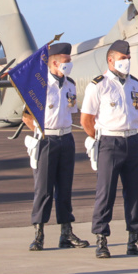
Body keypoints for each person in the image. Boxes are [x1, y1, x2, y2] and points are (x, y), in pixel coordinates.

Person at [81, 40, 138, 258]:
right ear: (111, 60)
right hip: (110, 142)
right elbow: (87, 119)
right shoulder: (99, 85)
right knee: (106, 192)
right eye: (123, 58)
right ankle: (101, 238)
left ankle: (134, 237)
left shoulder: (135, 84)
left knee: (134, 192)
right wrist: (101, 137)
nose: (127, 61)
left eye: (128, 58)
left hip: (132, 140)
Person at [25, 43, 90, 251]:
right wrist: (39, 130)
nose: (69, 64)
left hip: (66, 139)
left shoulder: (70, 84)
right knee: (43, 189)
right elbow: (26, 115)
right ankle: (39, 233)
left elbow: (71, 111)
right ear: (54, 62)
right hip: (47, 140)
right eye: (66, 61)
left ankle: (66, 232)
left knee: (65, 188)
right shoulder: (40, 85)